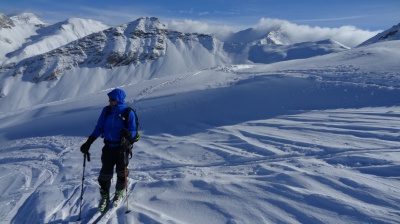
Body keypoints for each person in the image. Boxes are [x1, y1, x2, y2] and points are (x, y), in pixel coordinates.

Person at [80, 88, 137, 212]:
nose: (109, 101)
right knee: (105, 174)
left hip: (122, 148)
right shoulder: (106, 111)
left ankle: (119, 193)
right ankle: (105, 197)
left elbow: (133, 130)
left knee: (122, 172)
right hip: (108, 147)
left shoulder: (128, 112)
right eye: (109, 99)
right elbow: (99, 127)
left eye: (112, 99)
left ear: (118, 100)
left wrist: (128, 134)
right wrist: (88, 142)